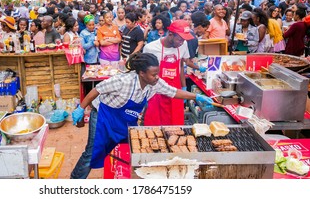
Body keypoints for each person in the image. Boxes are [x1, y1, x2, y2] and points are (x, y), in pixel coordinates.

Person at [70, 53, 213, 178]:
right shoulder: (122, 81)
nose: (157, 77)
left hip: (124, 119)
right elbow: (97, 90)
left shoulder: (154, 83)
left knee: (132, 149)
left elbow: (173, 92)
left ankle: (128, 178)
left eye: (157, 73)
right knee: (92, 153)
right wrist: (81, 108)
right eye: (153, 74)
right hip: (103, 116)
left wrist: (196, 97)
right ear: (142, 73)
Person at [143, 20, 196, 126]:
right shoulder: (151, 48)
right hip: (156, 93)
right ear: (170, 34)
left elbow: (181, 65)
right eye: (179, 39)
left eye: (184, 40)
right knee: (154, 126)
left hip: (175, 92)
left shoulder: (183, 44)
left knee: (175, 125)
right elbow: (144, 74)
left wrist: (183, 87)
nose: (182, 42)